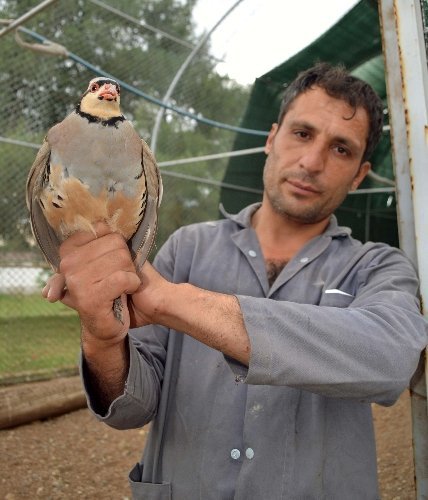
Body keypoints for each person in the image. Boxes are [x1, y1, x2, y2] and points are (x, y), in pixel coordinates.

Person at [44, 63, 428, 499]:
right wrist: (101, 340)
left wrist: (174, 302)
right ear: (271, 139)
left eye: (341, 149)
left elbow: (391, 359)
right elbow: (131, 406)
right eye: (302, 134)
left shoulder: (377, 266)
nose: (312, 161)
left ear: (360, 174)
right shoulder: (186, 248)